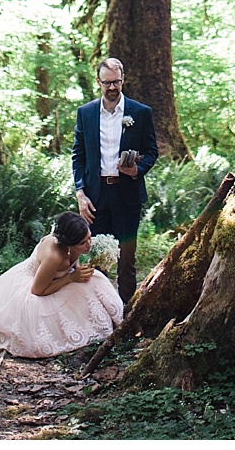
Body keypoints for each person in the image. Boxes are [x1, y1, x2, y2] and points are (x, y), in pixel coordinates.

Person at [0, 210, 123, 358]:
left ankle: (116, 319)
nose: (89, 245)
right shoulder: (54, 256)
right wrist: (71, 278)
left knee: (95, 280)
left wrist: (79, 271)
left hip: (57, 278)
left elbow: (74, 258)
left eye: (89, 238)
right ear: (68, 243)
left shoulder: (74, 242)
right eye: (83, 243)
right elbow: (37, 290)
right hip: (34, 286)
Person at [72, 57, 158, 304]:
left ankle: (126, 314)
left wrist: (137, 170)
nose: (112, 87)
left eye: (116, 82)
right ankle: (100, 312)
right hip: (96, 196)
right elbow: (78, 155)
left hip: (127, 194)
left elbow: (152, 151)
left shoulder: (140, 113)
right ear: (98, 82)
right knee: (97, 255)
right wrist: (80, 193)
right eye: (107, 82)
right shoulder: (86, 113)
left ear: (123, 80)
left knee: (127, 257)